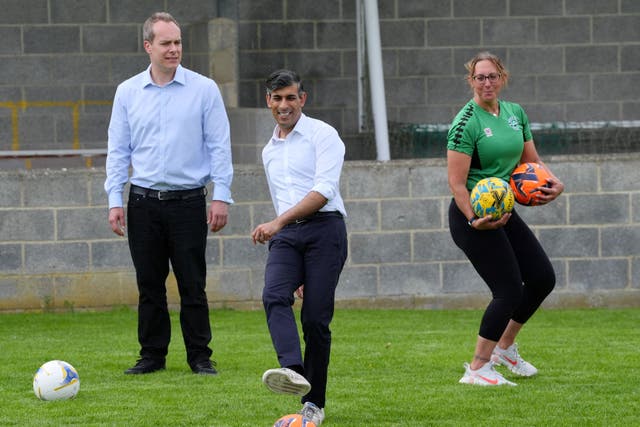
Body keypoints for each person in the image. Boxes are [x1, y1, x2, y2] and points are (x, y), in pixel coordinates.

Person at [104, 12, 233, 376]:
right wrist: (115, 199)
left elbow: (220, 146)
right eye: (166, 43)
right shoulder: (128, 92)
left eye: (177, 42)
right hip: (143, 202)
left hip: (189, 201)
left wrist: (221, 195)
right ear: (148, 46)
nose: (174, 49)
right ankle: (152, 356)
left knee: (193, 283)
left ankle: (200, 356)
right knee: (149, 284)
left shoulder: (204, 89)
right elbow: (119, 151)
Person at [446, 51, 564, 386]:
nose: (487, 82)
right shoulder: (465, 122)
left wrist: (554, 183)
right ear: (471, 81)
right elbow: (456, 183)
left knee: (542, 278)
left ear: (503, 78)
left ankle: (505, 348)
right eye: (480, 77)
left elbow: (532, 163)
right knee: (508, 290)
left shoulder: (515, 113)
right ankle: (478, 367)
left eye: (492, 76)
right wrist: (473, 219)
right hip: (474, 215)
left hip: (504, 211)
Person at [251, 69, 348, 425]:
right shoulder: (269, 151)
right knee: (274, 295)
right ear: (268, 101)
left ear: (302, 99)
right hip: (288, 236)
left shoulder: (324, 135)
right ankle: (292, 370)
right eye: (277, 99)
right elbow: (282, 202)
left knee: (315, 321)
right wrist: (280, 226)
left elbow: (324, 191)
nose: (284, 105)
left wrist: (276, 223)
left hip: (326, 231)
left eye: (291, 97)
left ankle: (314, 404)